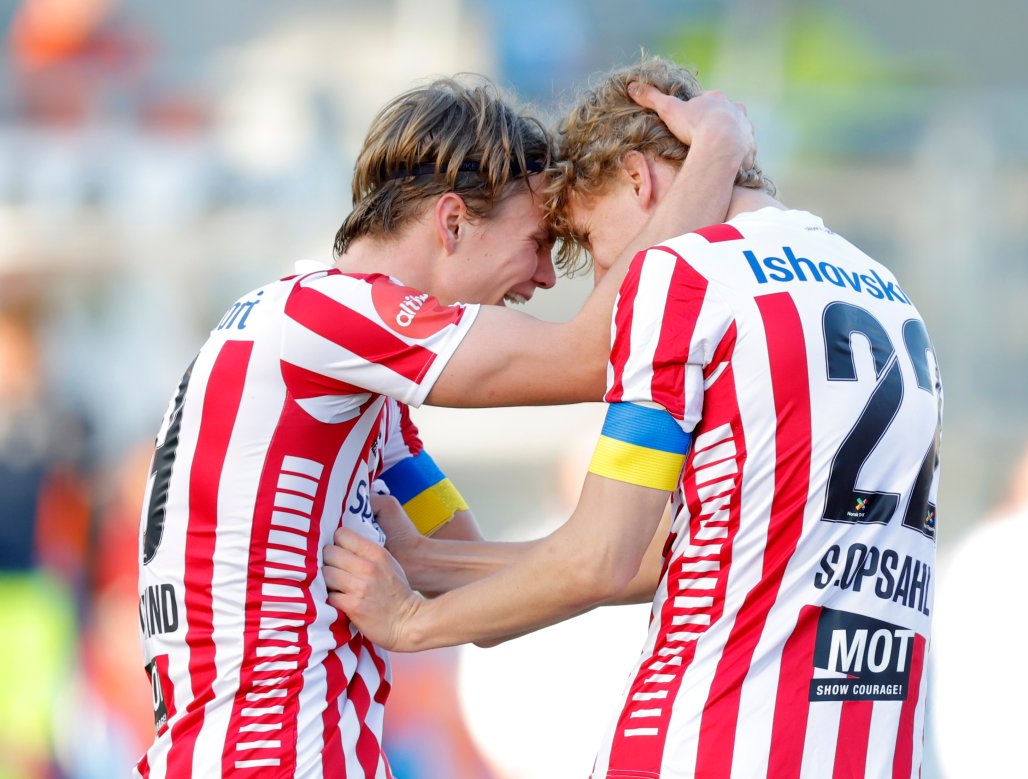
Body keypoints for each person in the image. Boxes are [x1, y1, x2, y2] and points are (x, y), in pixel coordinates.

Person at [325, 56, 943, 779]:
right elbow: (688, 549)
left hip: (705, 739)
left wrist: (411, 621)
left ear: (637, 177)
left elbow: (599, 556)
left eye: (592, 243)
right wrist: (436, 562)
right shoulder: (885, 291)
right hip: (870, 745)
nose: (607, 275)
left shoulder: (678, 280)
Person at [135, 73, 754, 778]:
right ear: (453, 222)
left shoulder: (354, 385)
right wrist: (716, 152)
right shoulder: (326, 320)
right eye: (536, 241)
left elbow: (464, 575)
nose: (546, 278)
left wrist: (631, 557)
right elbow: (601, 349)